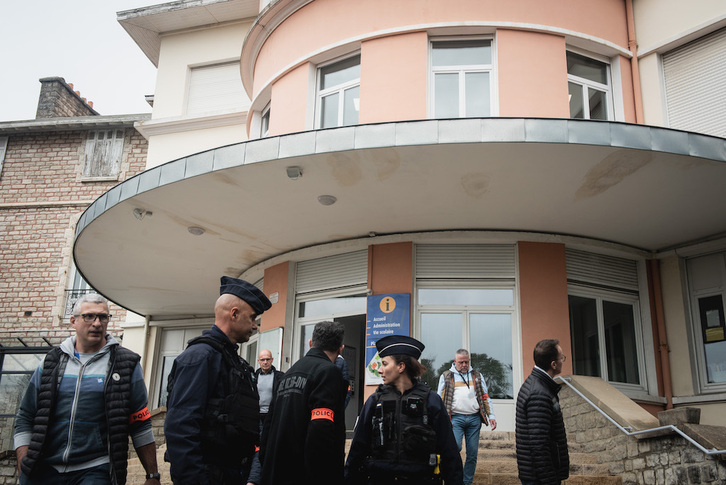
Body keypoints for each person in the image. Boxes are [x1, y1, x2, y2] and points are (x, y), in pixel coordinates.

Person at [13, 293, 160, 485]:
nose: (97, 323)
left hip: (95, 469)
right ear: (73, 321)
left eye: (103, 317)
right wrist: (24, 462)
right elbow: (25, 415)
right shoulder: (52, 362)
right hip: (44, 468)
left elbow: (139, 422)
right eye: (89, 316)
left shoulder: (126, 364)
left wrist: (152, 475)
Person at [165, 276, 272, 485]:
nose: (254, 326)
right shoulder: (200, 357)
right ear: (234, 313)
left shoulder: (233, 361)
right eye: (252, 318)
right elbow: (180, 427)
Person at [345, 335, 463, 485]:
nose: (380, 370)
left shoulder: (431, 401)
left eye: (385, 364)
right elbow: (357, 450)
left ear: (401, 367)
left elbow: (449, 452)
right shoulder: (375, 401)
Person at [260, 320, 347, 485]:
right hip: (304, 475)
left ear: (310, 343)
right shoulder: (328, 372)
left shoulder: (286, 375)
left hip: (275, 472)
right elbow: (321, 428)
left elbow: (268, 426)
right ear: (340, 348)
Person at [437, 348, 497, 485]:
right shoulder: (446, 376)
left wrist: (491, 415)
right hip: (455, 419)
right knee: (454, 447)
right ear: (455, 362)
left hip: (474, 419)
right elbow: (439, 398)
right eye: (461, 362)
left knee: (472, 454)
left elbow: (485, 396)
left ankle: (466, 482)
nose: (464, 365)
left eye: (466, 362)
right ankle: (452, 477)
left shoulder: (477, 375)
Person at [515, 339, 569, 485]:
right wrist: (549, 480)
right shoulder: (539, 393)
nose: (563, 360)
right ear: (553, 364)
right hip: (540, 478)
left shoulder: (540, 386)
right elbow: (539, 445)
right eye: (562, 357)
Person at [246, 349, 284, 485]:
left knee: (268, 446)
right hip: (256, 417)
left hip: (272, 417)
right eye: (263, 360)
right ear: (258, 361)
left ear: (272, 360)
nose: (265, 362)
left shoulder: (280, 377)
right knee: (258, 447)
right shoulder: (252, 377)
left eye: (268, 359)